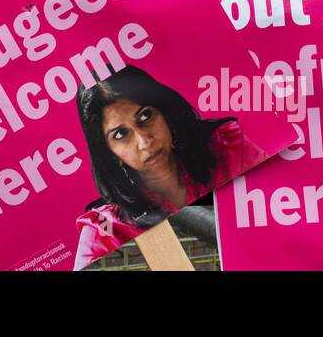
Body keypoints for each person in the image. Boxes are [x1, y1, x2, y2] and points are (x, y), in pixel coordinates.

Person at [72, 65, 266, 269]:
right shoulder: (104, 231)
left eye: (145, 116)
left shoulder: (226, 147)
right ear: (109, 152)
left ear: (164, 112)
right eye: (121, 134)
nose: (144, 142)